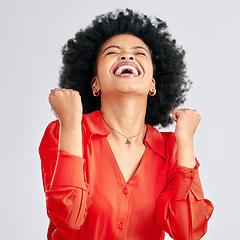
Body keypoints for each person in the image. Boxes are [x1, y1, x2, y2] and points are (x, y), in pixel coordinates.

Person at [39, 9, 214, 240]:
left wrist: (185, 142)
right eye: (113, 52)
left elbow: (188, 231)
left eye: (138, 53)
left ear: (153, 84)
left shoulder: (171, 148)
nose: (127, 57)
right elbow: (68, 216)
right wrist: (70, 122)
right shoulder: (64, 132)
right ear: (95, 84)